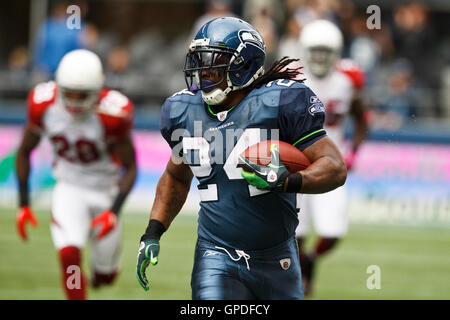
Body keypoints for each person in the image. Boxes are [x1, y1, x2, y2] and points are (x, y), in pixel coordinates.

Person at [136, 17, 346, 300]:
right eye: (200, 61)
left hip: (278, 256)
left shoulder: (280, 101)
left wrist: (288, 180)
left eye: (213, 63)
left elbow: (334, 167)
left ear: (242, 65)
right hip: (216, 254)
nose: (203, 72)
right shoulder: (181, 110)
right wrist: (152, 232)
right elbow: (176, 175)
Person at [15, 49, 137, 300]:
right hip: (69, 186)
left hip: (106, 189)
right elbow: (24, 151)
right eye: (68, 92)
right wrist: (24, 204)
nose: (73, 100)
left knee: (105, 277)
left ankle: (104, 271)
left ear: (96, 91)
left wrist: (113, 211)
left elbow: (131, 166)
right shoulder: (44, 105)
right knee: (69, 254)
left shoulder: (113, 114)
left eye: (81, 95)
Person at [295, 19, 369, 296]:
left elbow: (363, 119)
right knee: (296, 232)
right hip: (299, 162)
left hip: (332, 165)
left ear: (336, 52)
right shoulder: (294, 79)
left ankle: (310, 261)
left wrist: (352, 152)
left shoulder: (348, 80)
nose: (320, 58)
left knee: (334, 230)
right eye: (316, 51)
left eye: (326, 52)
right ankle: (300, 274)